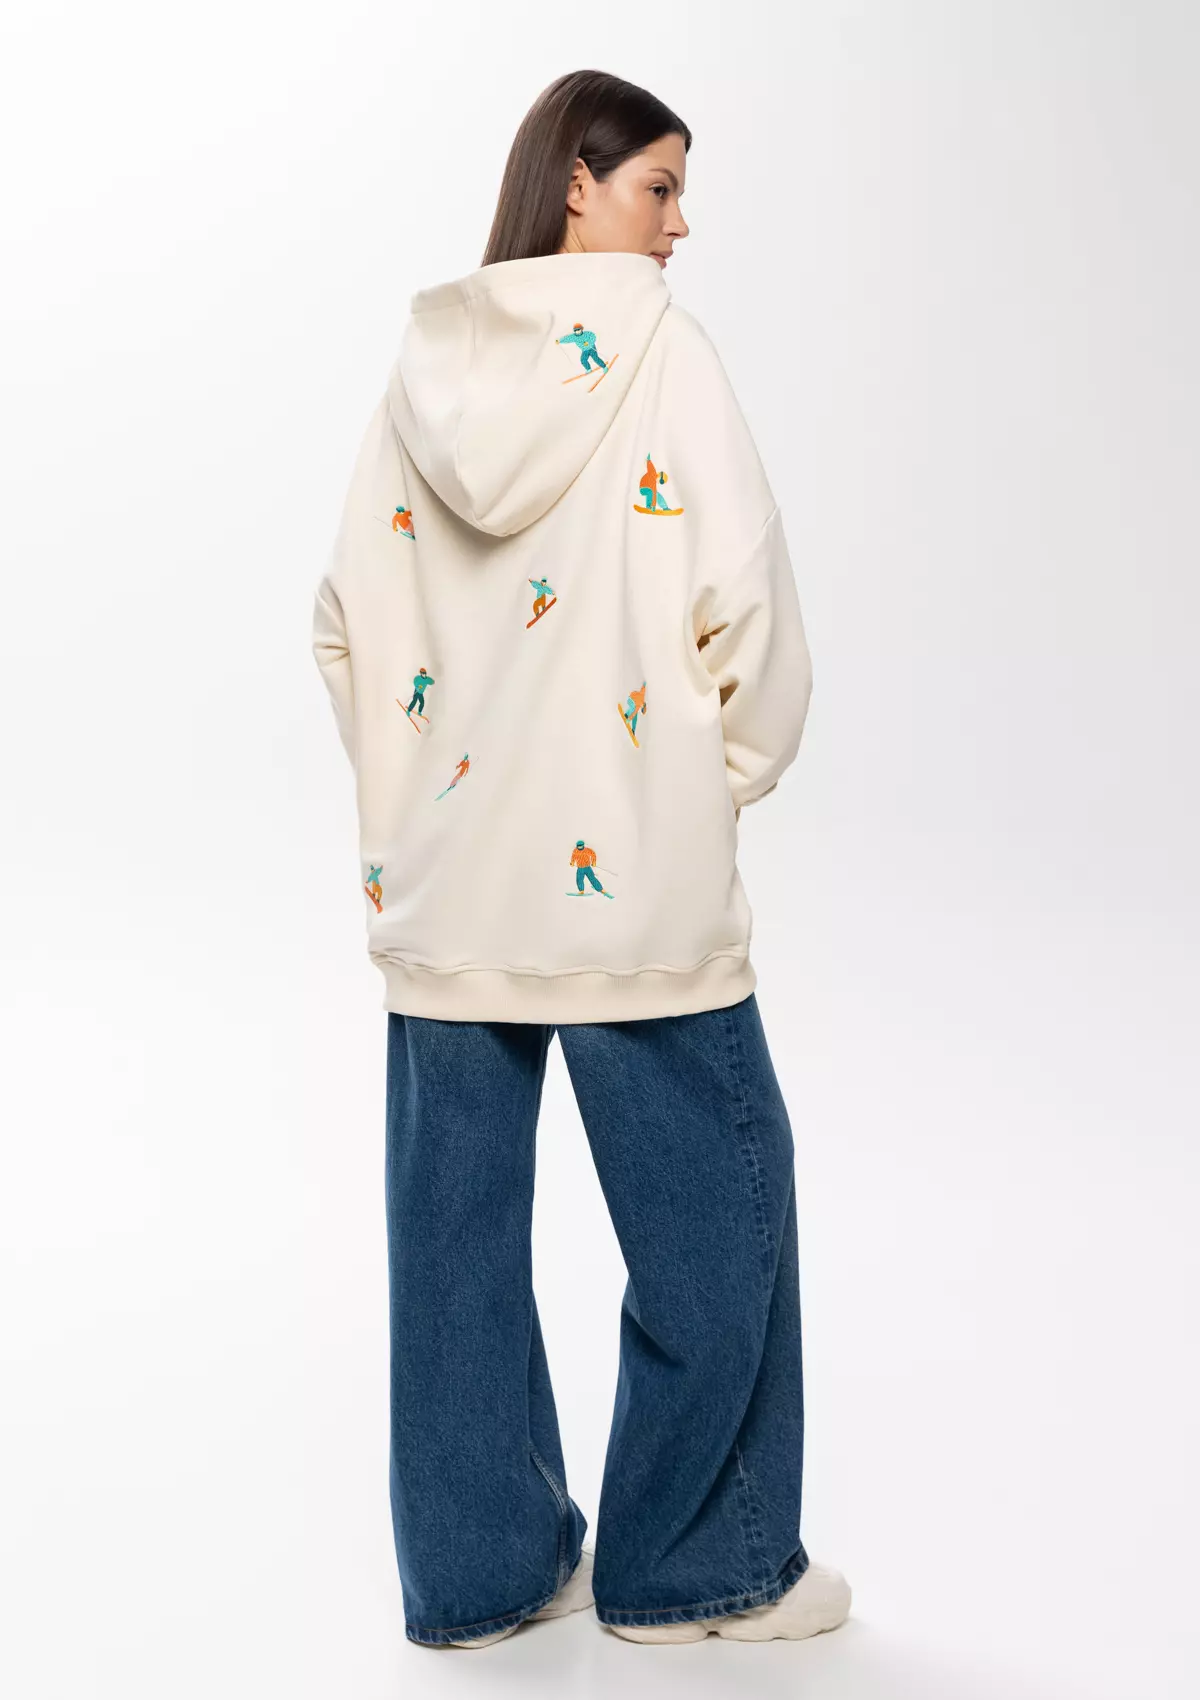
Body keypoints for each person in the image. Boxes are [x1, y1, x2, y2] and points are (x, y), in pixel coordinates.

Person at [311, 68, 851, 1650]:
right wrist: (703, 787)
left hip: (450, 891)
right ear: (578, 186)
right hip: (632, 888)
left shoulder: (427, 370)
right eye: (659, 188)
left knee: (452, 1255)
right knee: (720, 1221)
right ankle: (698, 1569)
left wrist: (418, 805)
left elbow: (344, 621)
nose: (681, 226)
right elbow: (749, 608)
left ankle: (481, 1580)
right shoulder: (663, 355)